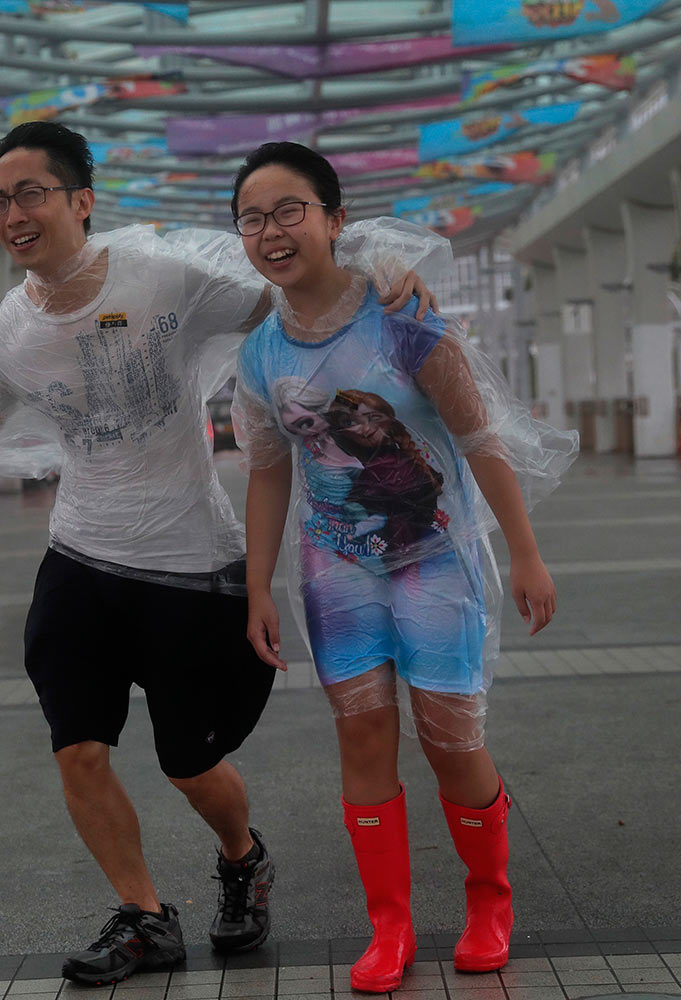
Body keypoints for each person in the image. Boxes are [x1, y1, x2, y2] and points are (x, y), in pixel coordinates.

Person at [0, 122, 442, 987]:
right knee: (78, 747)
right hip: (80, 561)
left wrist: (375, 267)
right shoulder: (6, 337)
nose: (12, 214)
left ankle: (242, 857)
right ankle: (145, 915)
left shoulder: (166, 278)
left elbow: (297, 300)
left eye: (31, 193)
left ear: (82, 201)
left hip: (191, 571)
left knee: (190, 763)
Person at [229, 142, 574, 992]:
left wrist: (526, 553)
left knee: (451, 740)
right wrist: (256, 585)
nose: (272, 231)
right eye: (251, 218)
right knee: (363, 733)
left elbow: (478, 439)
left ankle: (490, 902)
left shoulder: (405, 318)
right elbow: (270, 472)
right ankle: (390, 928)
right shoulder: (260, 355)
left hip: (437, 564)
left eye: (289, 210)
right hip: (335, 571)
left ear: (334, 220)